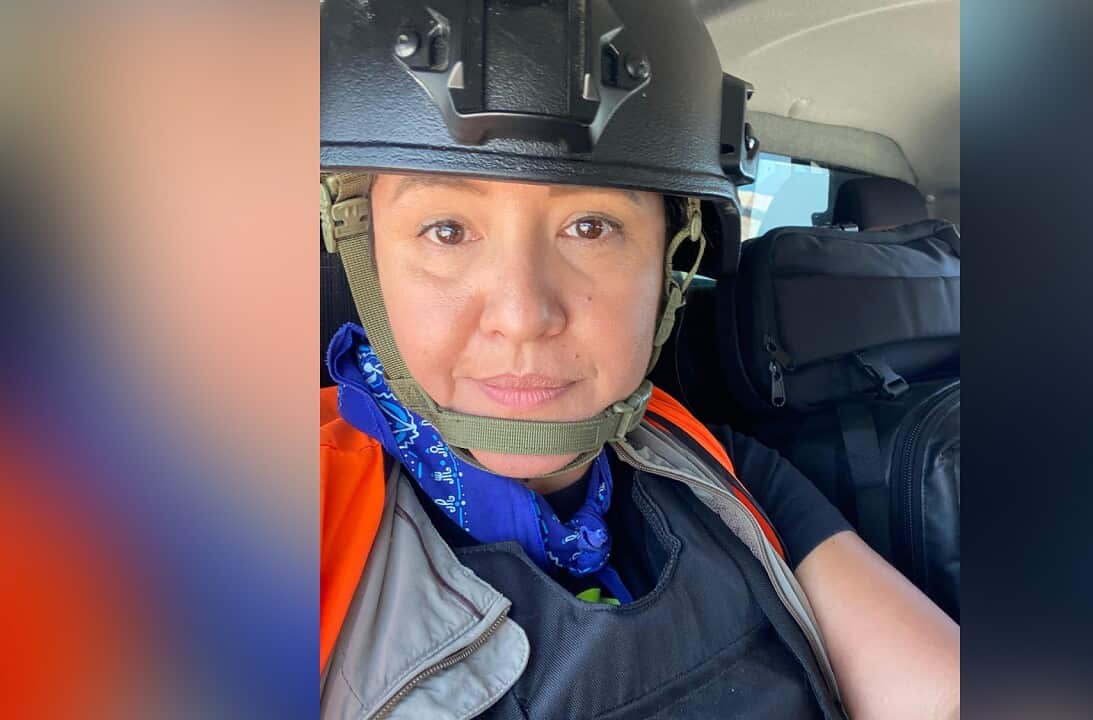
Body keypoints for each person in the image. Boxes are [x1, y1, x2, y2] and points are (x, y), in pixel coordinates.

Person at [319, 1, 959, 718]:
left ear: (672, 259)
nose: (523, 315)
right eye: (446, 229)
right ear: (359, 248)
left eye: (590, 227)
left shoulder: (709, 463)